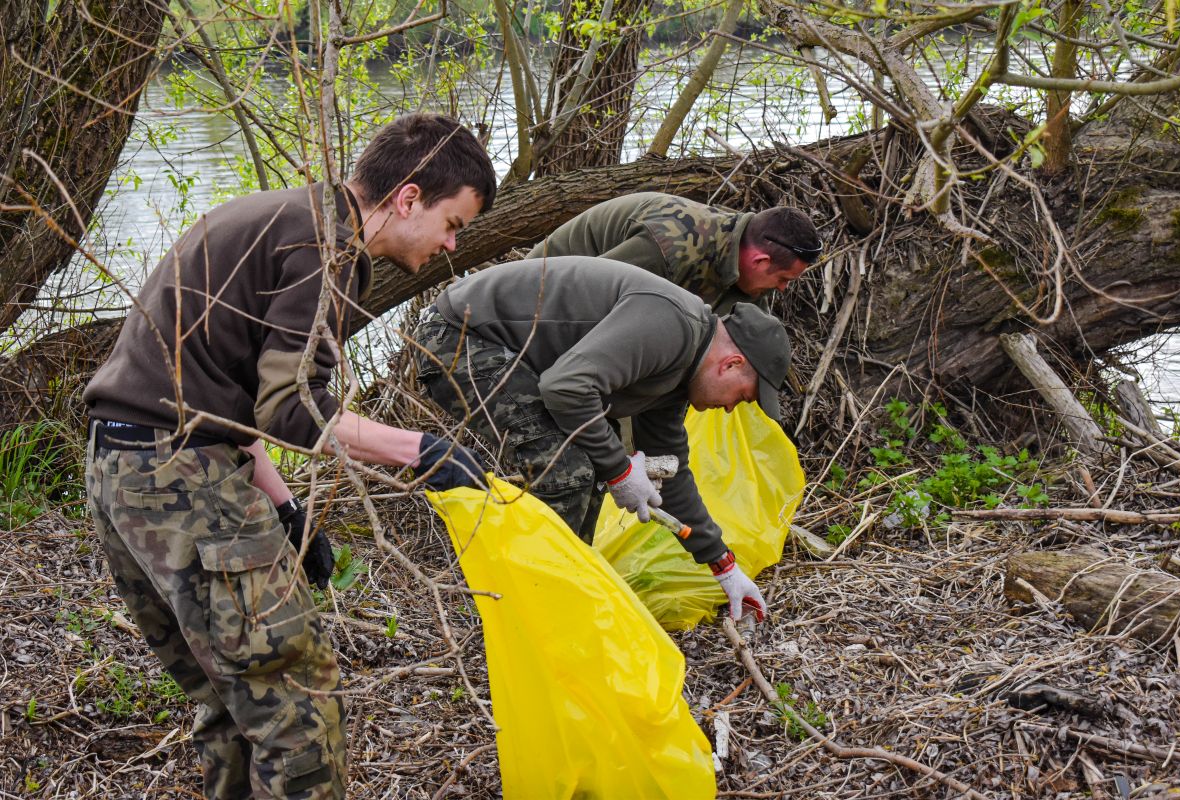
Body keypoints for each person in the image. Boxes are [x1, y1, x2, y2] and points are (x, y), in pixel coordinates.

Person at [82, 113, 496, 799]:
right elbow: (291, 408)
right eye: (453, 223)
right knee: (294, 703)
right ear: (409, 198)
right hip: (175, 474)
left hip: (124, 468)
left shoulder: (295, 218)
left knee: (233, 699)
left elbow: (228, 392)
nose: (452, 245)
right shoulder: (323, 247)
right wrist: (421, 450)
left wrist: (286, 507)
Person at [413, 256, 792, 623]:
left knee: (590, 464)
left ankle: (560, 596)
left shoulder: (679, 374)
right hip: (457, 335)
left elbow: (671, 478)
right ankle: (532, 609)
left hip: (497, 349)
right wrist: (620, 470)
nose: (730, 409)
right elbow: (565, 389)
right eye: (742, 396)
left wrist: (723, 566)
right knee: (570, 470)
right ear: (731, 364)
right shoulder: (672, 326)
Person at [527, 191, 822, 313]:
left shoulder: (754, 270)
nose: (784, 289)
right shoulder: (671, 247)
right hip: (543, 290)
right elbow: (586, 297)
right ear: (760, 260)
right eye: (784, 279)